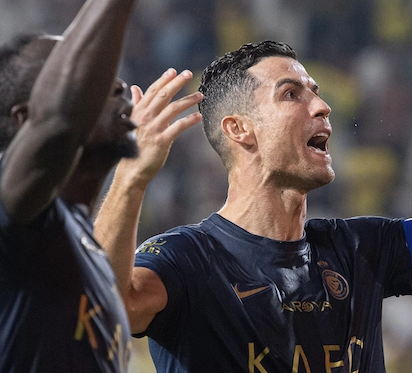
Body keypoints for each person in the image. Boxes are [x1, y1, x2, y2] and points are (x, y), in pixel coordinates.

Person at [94, 40, 412, 372]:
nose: (322, 106)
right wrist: (130, 177)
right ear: (239, 129)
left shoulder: (363, 248)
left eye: (316, 93)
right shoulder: (187, 260)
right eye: (291, 94)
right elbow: (103, 308)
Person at [0, 0, 202, 370]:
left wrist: (131, 177)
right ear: (26, 120)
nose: (114, 82)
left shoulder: (81, 245)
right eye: (84, 78)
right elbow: (61, 121)